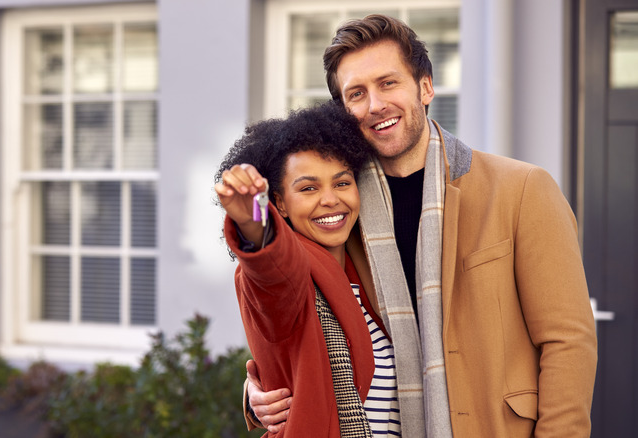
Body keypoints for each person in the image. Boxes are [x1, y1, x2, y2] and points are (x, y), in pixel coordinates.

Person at [244, 14, 597, 438]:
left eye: (388, 83)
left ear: (425, 87)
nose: (375, 105)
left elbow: (567, 342)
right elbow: (288, 307)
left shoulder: (521, 189)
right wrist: (256, 395)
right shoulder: (338, 209)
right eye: (356, 93)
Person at [215, 100, 402, 436]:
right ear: (280, 203)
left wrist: (252, 394)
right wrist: (252, 221)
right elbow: (272, 273)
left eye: (342, 183)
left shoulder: (376, 270)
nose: (330, 199)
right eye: (308, 188)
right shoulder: (288, 276)